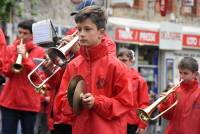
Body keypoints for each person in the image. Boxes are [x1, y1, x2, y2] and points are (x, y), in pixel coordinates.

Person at [54, 6, 135, 134]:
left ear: (101, 33)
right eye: (79, 29)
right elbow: (60, 103)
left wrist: (96, 102)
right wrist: (73, 101)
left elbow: (125, 103)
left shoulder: (116, 66)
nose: (81, 34)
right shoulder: (73, 65)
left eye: (87, 29)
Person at [0, 19, 46, 134]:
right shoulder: (11, 48)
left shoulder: (40, 51)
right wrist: (16, 55)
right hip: (9, 101)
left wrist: (24, 58)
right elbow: (6, 72)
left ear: (32, 35)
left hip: (29, 103)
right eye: (19, 32)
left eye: (25, 33)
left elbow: (37, 77)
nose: (21, 36)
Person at [158, 57, 200, 134]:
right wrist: (165, 103)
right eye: (180, 72)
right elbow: (167, 116)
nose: (182, 76)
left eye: (185, 73)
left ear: (195, 74)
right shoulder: (175, 91)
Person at [117, 47, 149, 134]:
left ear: (131, 61)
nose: (121, 63)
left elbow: (144, 104)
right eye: (119, 60)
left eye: (124, 60)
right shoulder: (114, 78)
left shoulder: (139, 80)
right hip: (116, 120)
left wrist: (142, 125)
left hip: (132, 123)